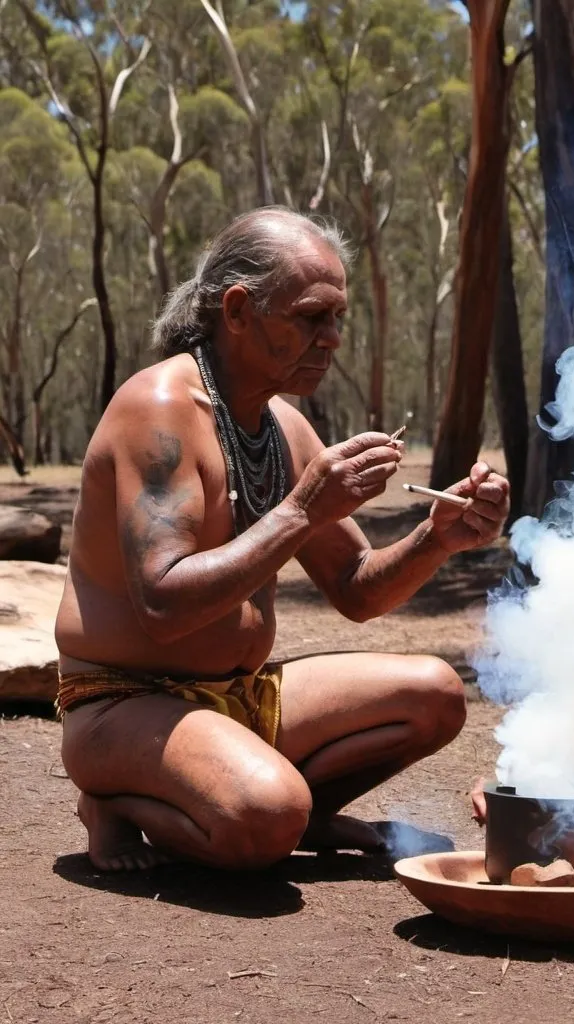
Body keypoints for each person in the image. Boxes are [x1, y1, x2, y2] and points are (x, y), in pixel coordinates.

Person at [56, 207, 510, 872]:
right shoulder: (157, 411)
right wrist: (302, 509)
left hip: (240, 699)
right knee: (264, 820)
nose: (331, 338)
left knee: (436, 695)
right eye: (310, 316)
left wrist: (437, 538)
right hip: (125, 703)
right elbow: (163, 605)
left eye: (337, 319)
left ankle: (300, 808)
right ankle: (116, 802)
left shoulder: (282, 427)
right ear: (238, 310)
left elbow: (356, 586)